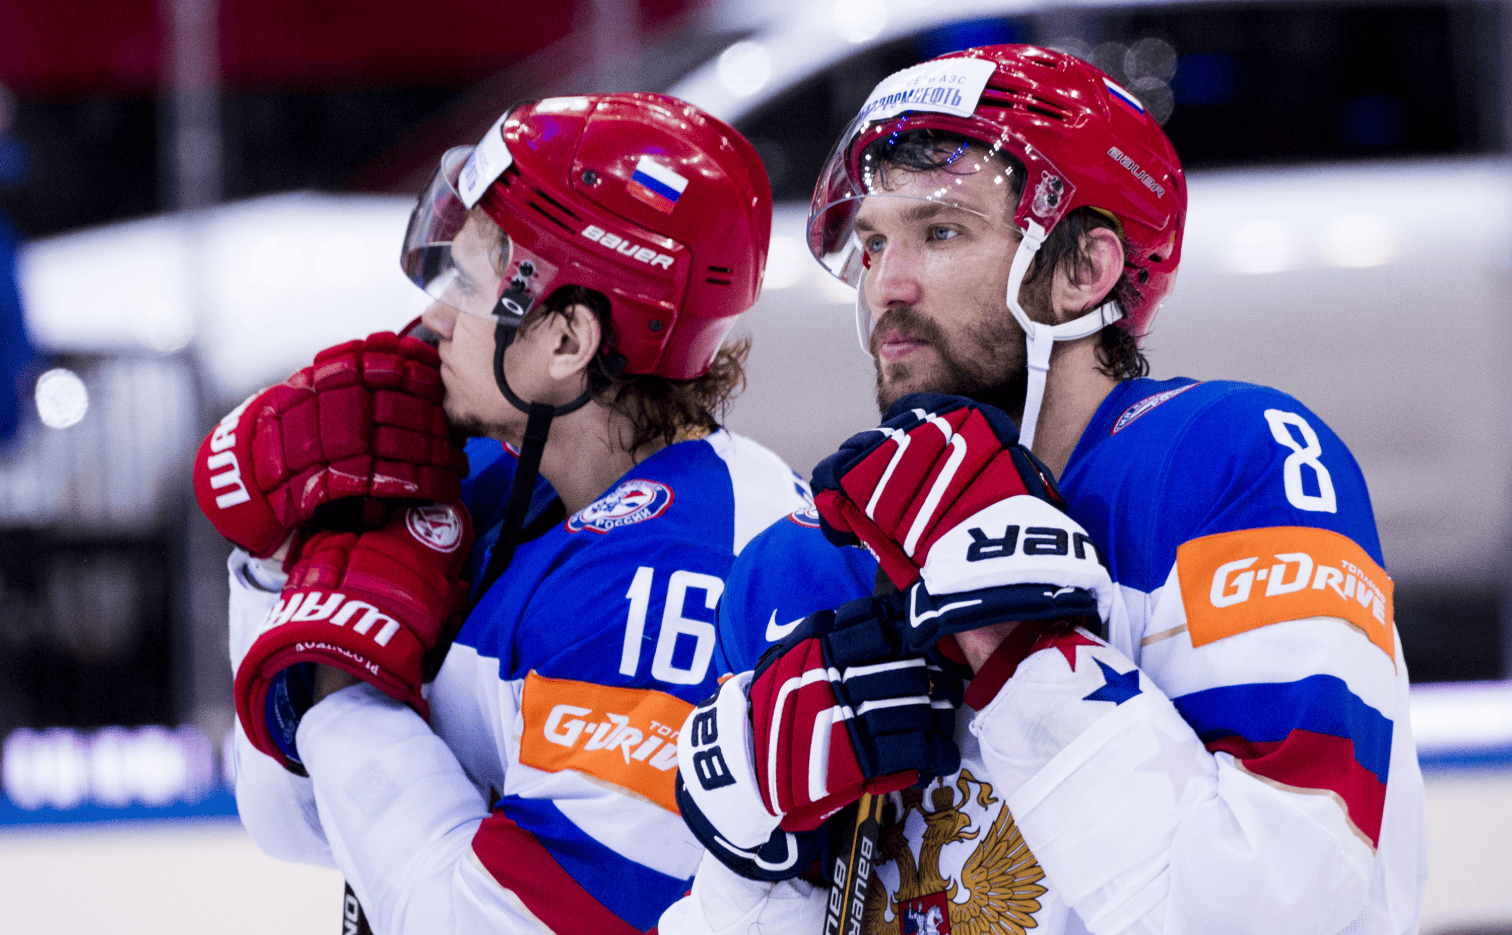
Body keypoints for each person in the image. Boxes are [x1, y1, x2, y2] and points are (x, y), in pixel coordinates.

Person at [664, 45, 1425, 935]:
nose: (886, 286)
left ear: (1083, 272)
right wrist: (749, 867)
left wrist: (1028, 653)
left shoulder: (1230, 465)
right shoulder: (809, 560)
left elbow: (1287, 912)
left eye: (940, 232)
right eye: (872, 242)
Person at [194, 92, 807, 934]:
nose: (434, 315)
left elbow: (492, 924)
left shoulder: (685, 577)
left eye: (469, 281)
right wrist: (284, 571)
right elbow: (298, 820)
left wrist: (337, 675)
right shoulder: (485, 471)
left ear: (565, 342)